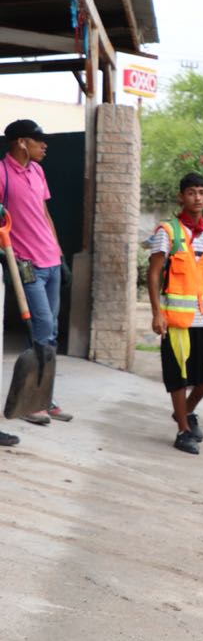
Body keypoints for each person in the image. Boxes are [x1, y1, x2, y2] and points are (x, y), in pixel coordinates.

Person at [147, 173, 203, 455]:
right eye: (192, 192)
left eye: (202, 192)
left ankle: (185, 412)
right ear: (181, 197)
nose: (197, 197)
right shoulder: (167, 231)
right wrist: (156, 313)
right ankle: (183, 430)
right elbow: (154, 272)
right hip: (176, 316)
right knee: (178, 375)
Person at [2, 118, 72, 428]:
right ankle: (32, 402)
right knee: (42, 330)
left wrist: (59, 254)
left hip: (51, 263)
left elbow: (45, 215)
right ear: (20, 142)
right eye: (38, 140)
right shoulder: (2, 174)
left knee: (50, 332)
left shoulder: (37, 171)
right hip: (27, 266)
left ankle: (46, 398)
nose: (44, 145)